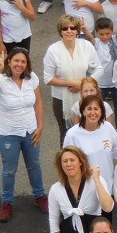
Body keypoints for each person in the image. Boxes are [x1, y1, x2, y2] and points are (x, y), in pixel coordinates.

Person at [0, 48, 46, 222]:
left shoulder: (32, 78)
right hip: (8, 133)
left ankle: (39, 196)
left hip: (30, 130)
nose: (19, 64)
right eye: (16, 61)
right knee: (9, 170)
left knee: (34, 165)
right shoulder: (1, 79)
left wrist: (40, 126)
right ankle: (6, 203)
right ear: (9, 62)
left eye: (23, 62)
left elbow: (38, 102)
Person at [48, 147, 115, 233]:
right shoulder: (55, 189)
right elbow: (53, 223)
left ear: (80, 162)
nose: (68, 164)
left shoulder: (97, 181)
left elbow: (108, 207)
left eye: (72, 160)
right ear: (60, 165)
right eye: (65, 161)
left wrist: (96, 179)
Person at [43, 14, 101, 144]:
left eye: (72, 28)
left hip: (86, 97)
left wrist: (82, 84)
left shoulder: (86, 46)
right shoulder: (53, 50)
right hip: (61, 99)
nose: (69, 31)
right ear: (60, 31)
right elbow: (48, 78)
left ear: (77, 30)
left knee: (89, 129)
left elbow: (99, 69)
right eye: (65, 28)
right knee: (66, 132)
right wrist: (71, 83)